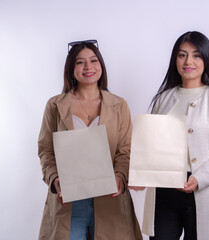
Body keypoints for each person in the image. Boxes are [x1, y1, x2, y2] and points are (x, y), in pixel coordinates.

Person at [38, 40, 142, 240]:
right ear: (71, 68)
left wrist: (120, 175)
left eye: (94, 60)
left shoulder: (118, 105)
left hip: (109, 201)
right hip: (68, 202)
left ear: (101, 65)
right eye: (80, 62)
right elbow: (45, 150)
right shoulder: (55, 105)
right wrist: (55, 180)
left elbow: (126, 149)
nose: (88, 67)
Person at [140, 31, 209, 240]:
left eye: (196, 55)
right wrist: (141, 175)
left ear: (206, 59)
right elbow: (151, 146)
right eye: (182, 55)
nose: (188, 61)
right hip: (164, 190)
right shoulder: (162, 99)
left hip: (203, 189)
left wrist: (198, 178)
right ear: (175, 59)